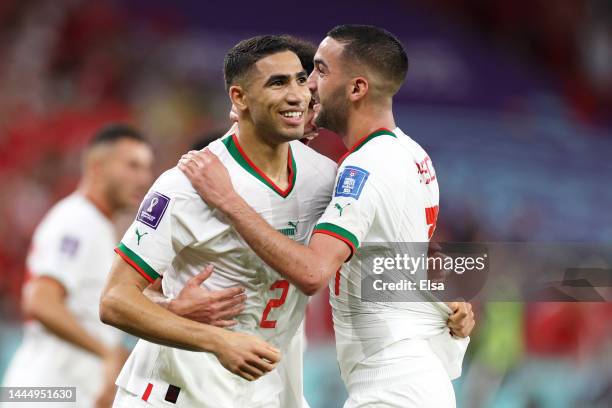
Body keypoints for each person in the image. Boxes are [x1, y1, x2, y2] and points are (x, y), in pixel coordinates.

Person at [179, 25, 474, 408]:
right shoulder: (411, 154)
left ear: (356, 89)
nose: (308, 86)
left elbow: (313, 272)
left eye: (318, 71)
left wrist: (228, 200)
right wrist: (446, 302)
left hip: (392, 383)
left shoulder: (363, 168)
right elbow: (404, 255)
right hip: (412, 375)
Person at [99, 35, 337, 407]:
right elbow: (114, 299)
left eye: (300, 80)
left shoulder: (323, 178)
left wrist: (438, 309)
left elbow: (364, 258)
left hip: (259, 394)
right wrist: (216, 339)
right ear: (238, 98)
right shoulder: (186, 184)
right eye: (277, 83)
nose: (296, 94)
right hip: (175, 394)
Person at [1, 125, 246, 408]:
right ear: (97, 167)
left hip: (56, 390)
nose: (143, 178)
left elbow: (92, 310)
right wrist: (105, 353)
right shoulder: (77, 221)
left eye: (146, 168)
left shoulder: (100, 226)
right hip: (43, 391)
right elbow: (40, 301)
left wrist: (169, 308)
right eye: (132, 166)